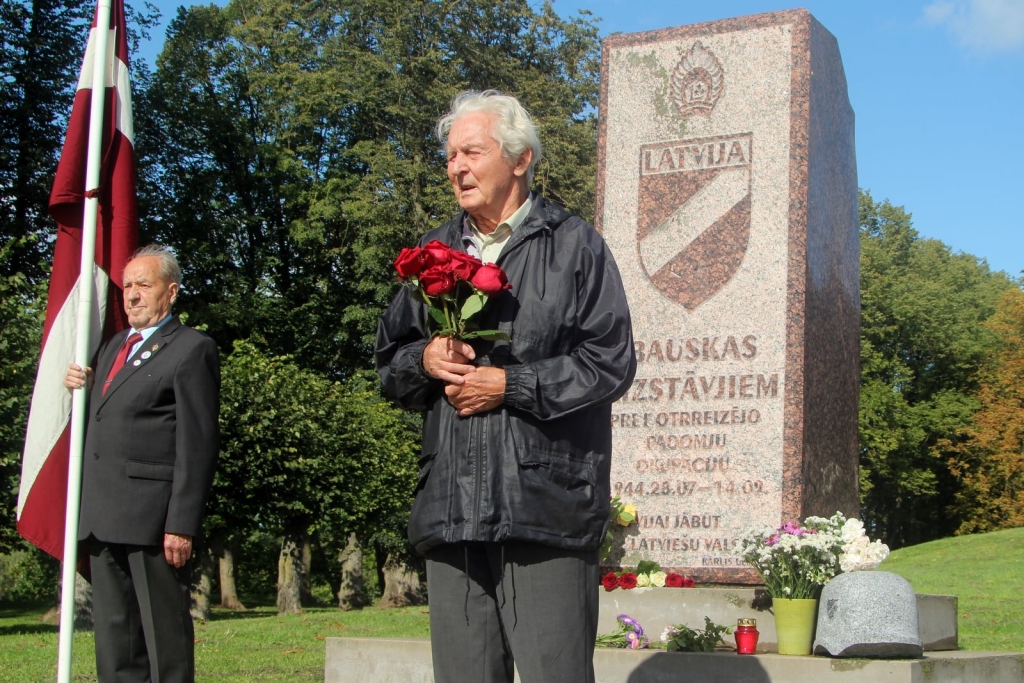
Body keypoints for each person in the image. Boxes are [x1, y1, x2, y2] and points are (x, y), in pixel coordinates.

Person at [376, 91, 636, 683]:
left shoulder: (575, 246)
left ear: (519, 160)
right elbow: (389, 360)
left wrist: (510, 385)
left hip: (544, 507)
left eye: (471, 151)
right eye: (449, 156)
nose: (456, 167)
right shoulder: (431, 254)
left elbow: (610, 361)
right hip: (451, 510)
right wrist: (426, 358)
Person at [64, 244, 220, 683]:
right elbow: (108, 418)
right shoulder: (113, 346)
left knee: (163, 642)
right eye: (127, 285)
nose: (131, 294)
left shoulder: (192, 349)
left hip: (154, 521)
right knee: (115, 644)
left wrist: (181, 523)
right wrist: (81, 387)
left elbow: (199, 442)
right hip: (101, 515)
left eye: (143, 285)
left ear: (170, 293)